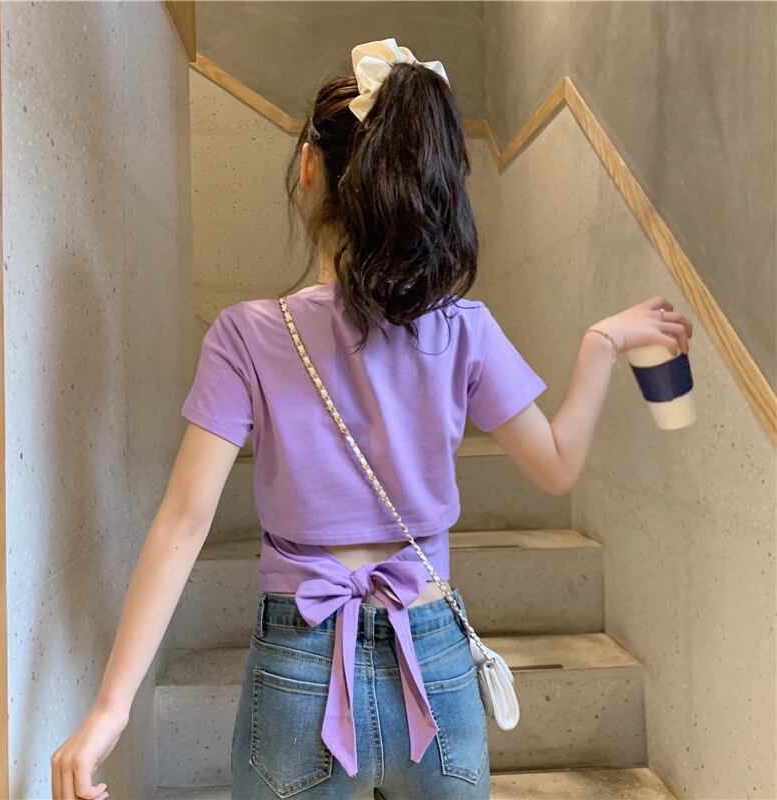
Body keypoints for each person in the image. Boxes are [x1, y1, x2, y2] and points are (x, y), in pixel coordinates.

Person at [50, 37, 693, 800]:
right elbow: (555, 468)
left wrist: (111, 707)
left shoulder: (246, 335)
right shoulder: (464, 330)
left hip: (301, 666)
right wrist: (601, 344)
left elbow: (184, 523)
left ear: (309, 170)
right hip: (435, 664)